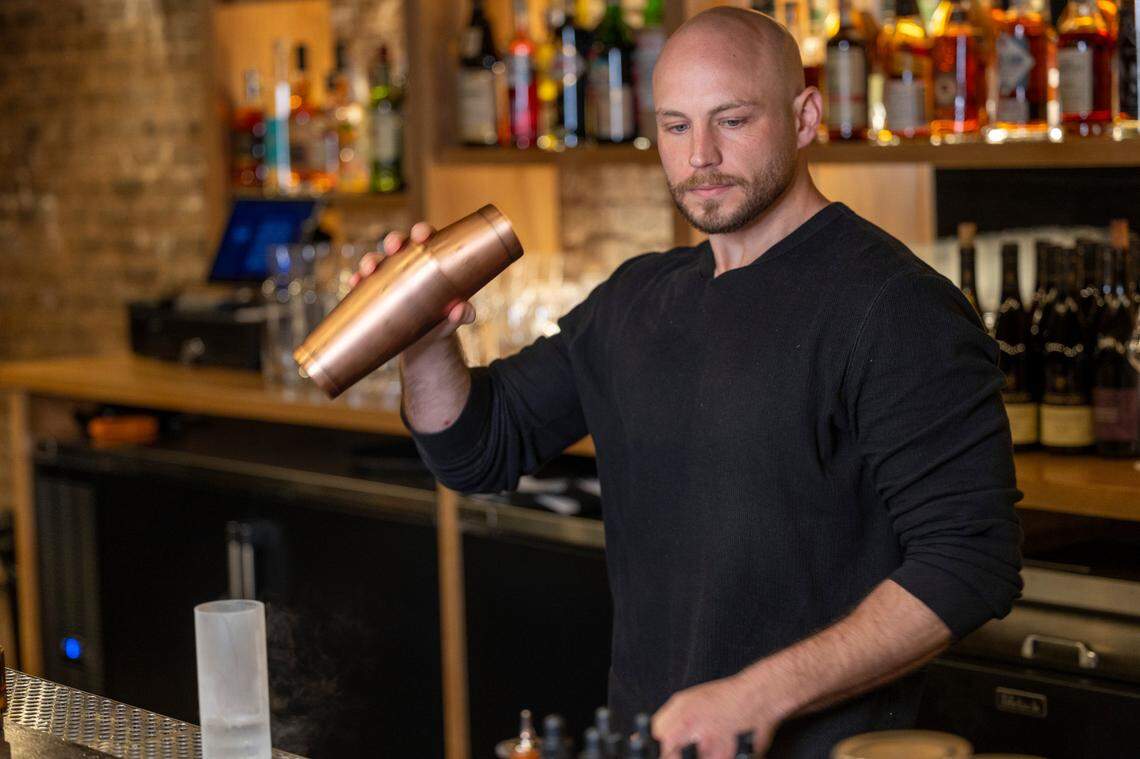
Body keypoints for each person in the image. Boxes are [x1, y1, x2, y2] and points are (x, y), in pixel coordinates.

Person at [351, 8, 1022, 758]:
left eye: (731, 120)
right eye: (675, 127)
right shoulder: (637, 299)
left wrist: (755, 696)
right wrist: (426, 343)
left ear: (805, 117)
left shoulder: (894, 307)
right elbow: (477, 449)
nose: (700, 156)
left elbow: (972, 560)